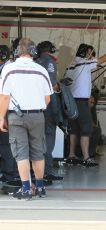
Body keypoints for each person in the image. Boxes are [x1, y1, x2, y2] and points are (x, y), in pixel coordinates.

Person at [0, 38, 53, 200]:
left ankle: (25, 188)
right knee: (38, 152)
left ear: (16, 52)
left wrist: (1, 117)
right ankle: (40, 187)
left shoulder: (9, 69)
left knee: (21, 153)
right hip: (38, 115)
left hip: (16, 116)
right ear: (34, 52)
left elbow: (4, 98)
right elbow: (48, 99)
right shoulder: (41, 70)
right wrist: (37, 109)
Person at [65, 42, 106, 167]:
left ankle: (71, 155)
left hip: (71, 103)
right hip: (81, 103)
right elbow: (105, 58)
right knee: (86, 130)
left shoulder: (71, 65)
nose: (91, 55)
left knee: (74, 130)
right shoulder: (84, 63)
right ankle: (86, 157)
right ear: (84, 53)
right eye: (89, 53)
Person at [35, 41, 63, 181]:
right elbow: (51, 84)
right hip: (48, 106)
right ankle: (47, 171)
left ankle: (35, 171)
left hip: (34, 107)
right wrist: (59, 87)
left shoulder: (35, 61)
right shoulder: (49, 61)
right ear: (50, 50)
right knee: (49, 136)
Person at [0, 44, 18, 183]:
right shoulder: (9, 67)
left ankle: (9, 176)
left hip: (6, 112)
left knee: (6, 145)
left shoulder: (8, 69)